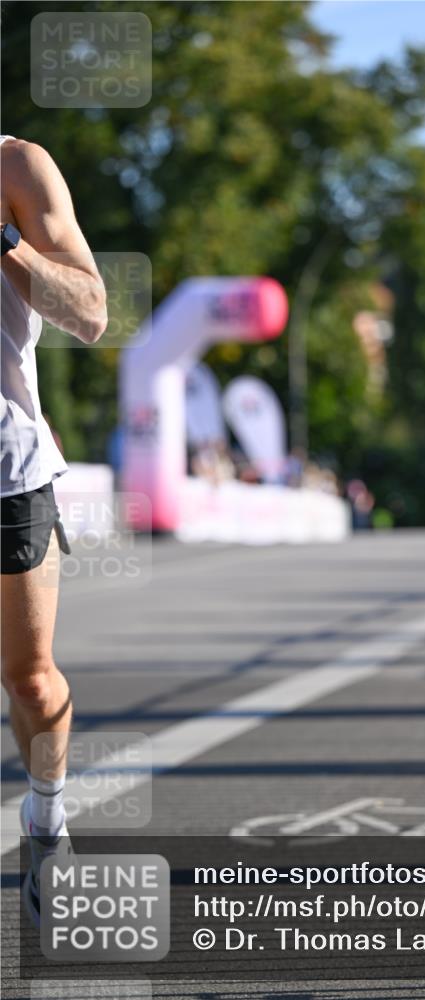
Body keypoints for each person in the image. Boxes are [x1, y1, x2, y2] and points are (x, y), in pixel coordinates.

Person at [0, 135, 107, 924]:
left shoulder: (17, 166)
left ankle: (46, 813)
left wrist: (7, 243)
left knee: (30, 680)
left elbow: (93, 314)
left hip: (7, 466)